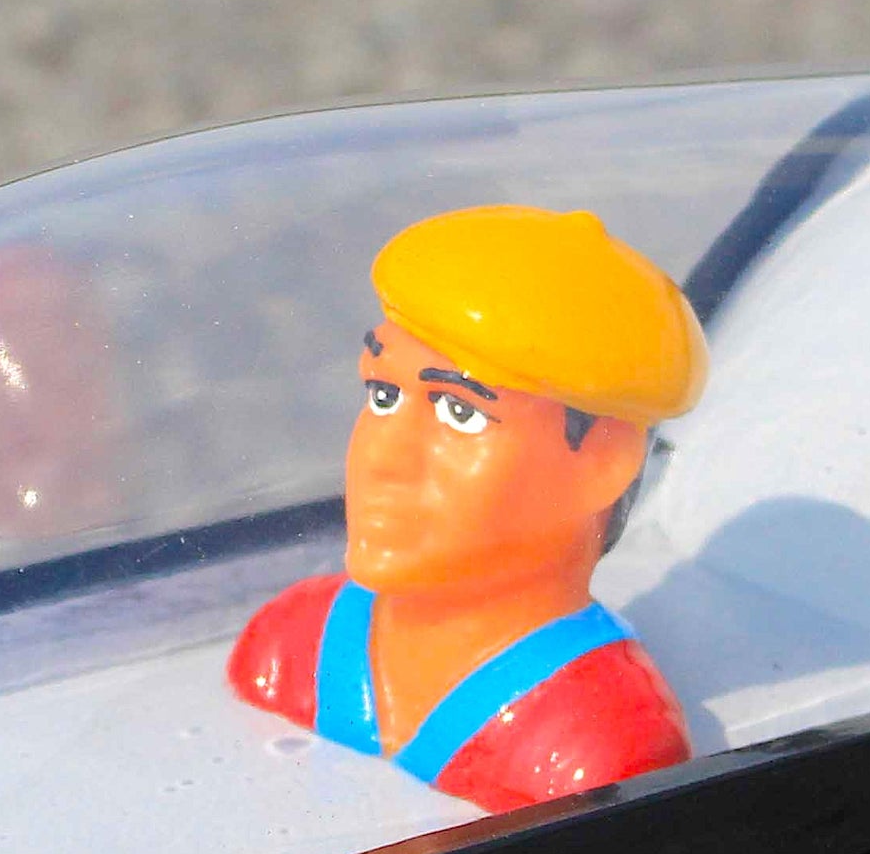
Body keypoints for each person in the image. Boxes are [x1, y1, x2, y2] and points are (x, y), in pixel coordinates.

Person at [229, 203, 706, 811]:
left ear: (602, 460)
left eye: (461, 413)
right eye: (381, 394)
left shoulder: (599, 746)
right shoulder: (289, 647)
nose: (382, 459)